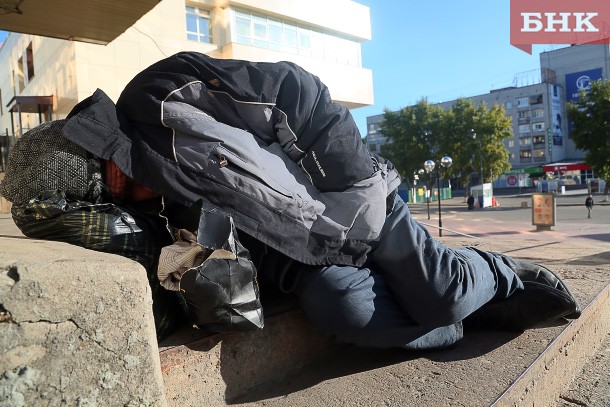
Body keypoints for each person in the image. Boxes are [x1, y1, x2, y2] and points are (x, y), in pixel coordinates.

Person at [0, 52, 581, 350]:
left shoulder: (161, 95)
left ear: (95, 143)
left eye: (119, 175)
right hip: (306, 264)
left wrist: (352, 185)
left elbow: (290, 91)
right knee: (346, 313)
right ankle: (466, 311)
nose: (132, 188)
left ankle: (496, 274)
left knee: (438, 291)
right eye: (115, 194)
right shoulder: (144, 217)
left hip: (355, 203)